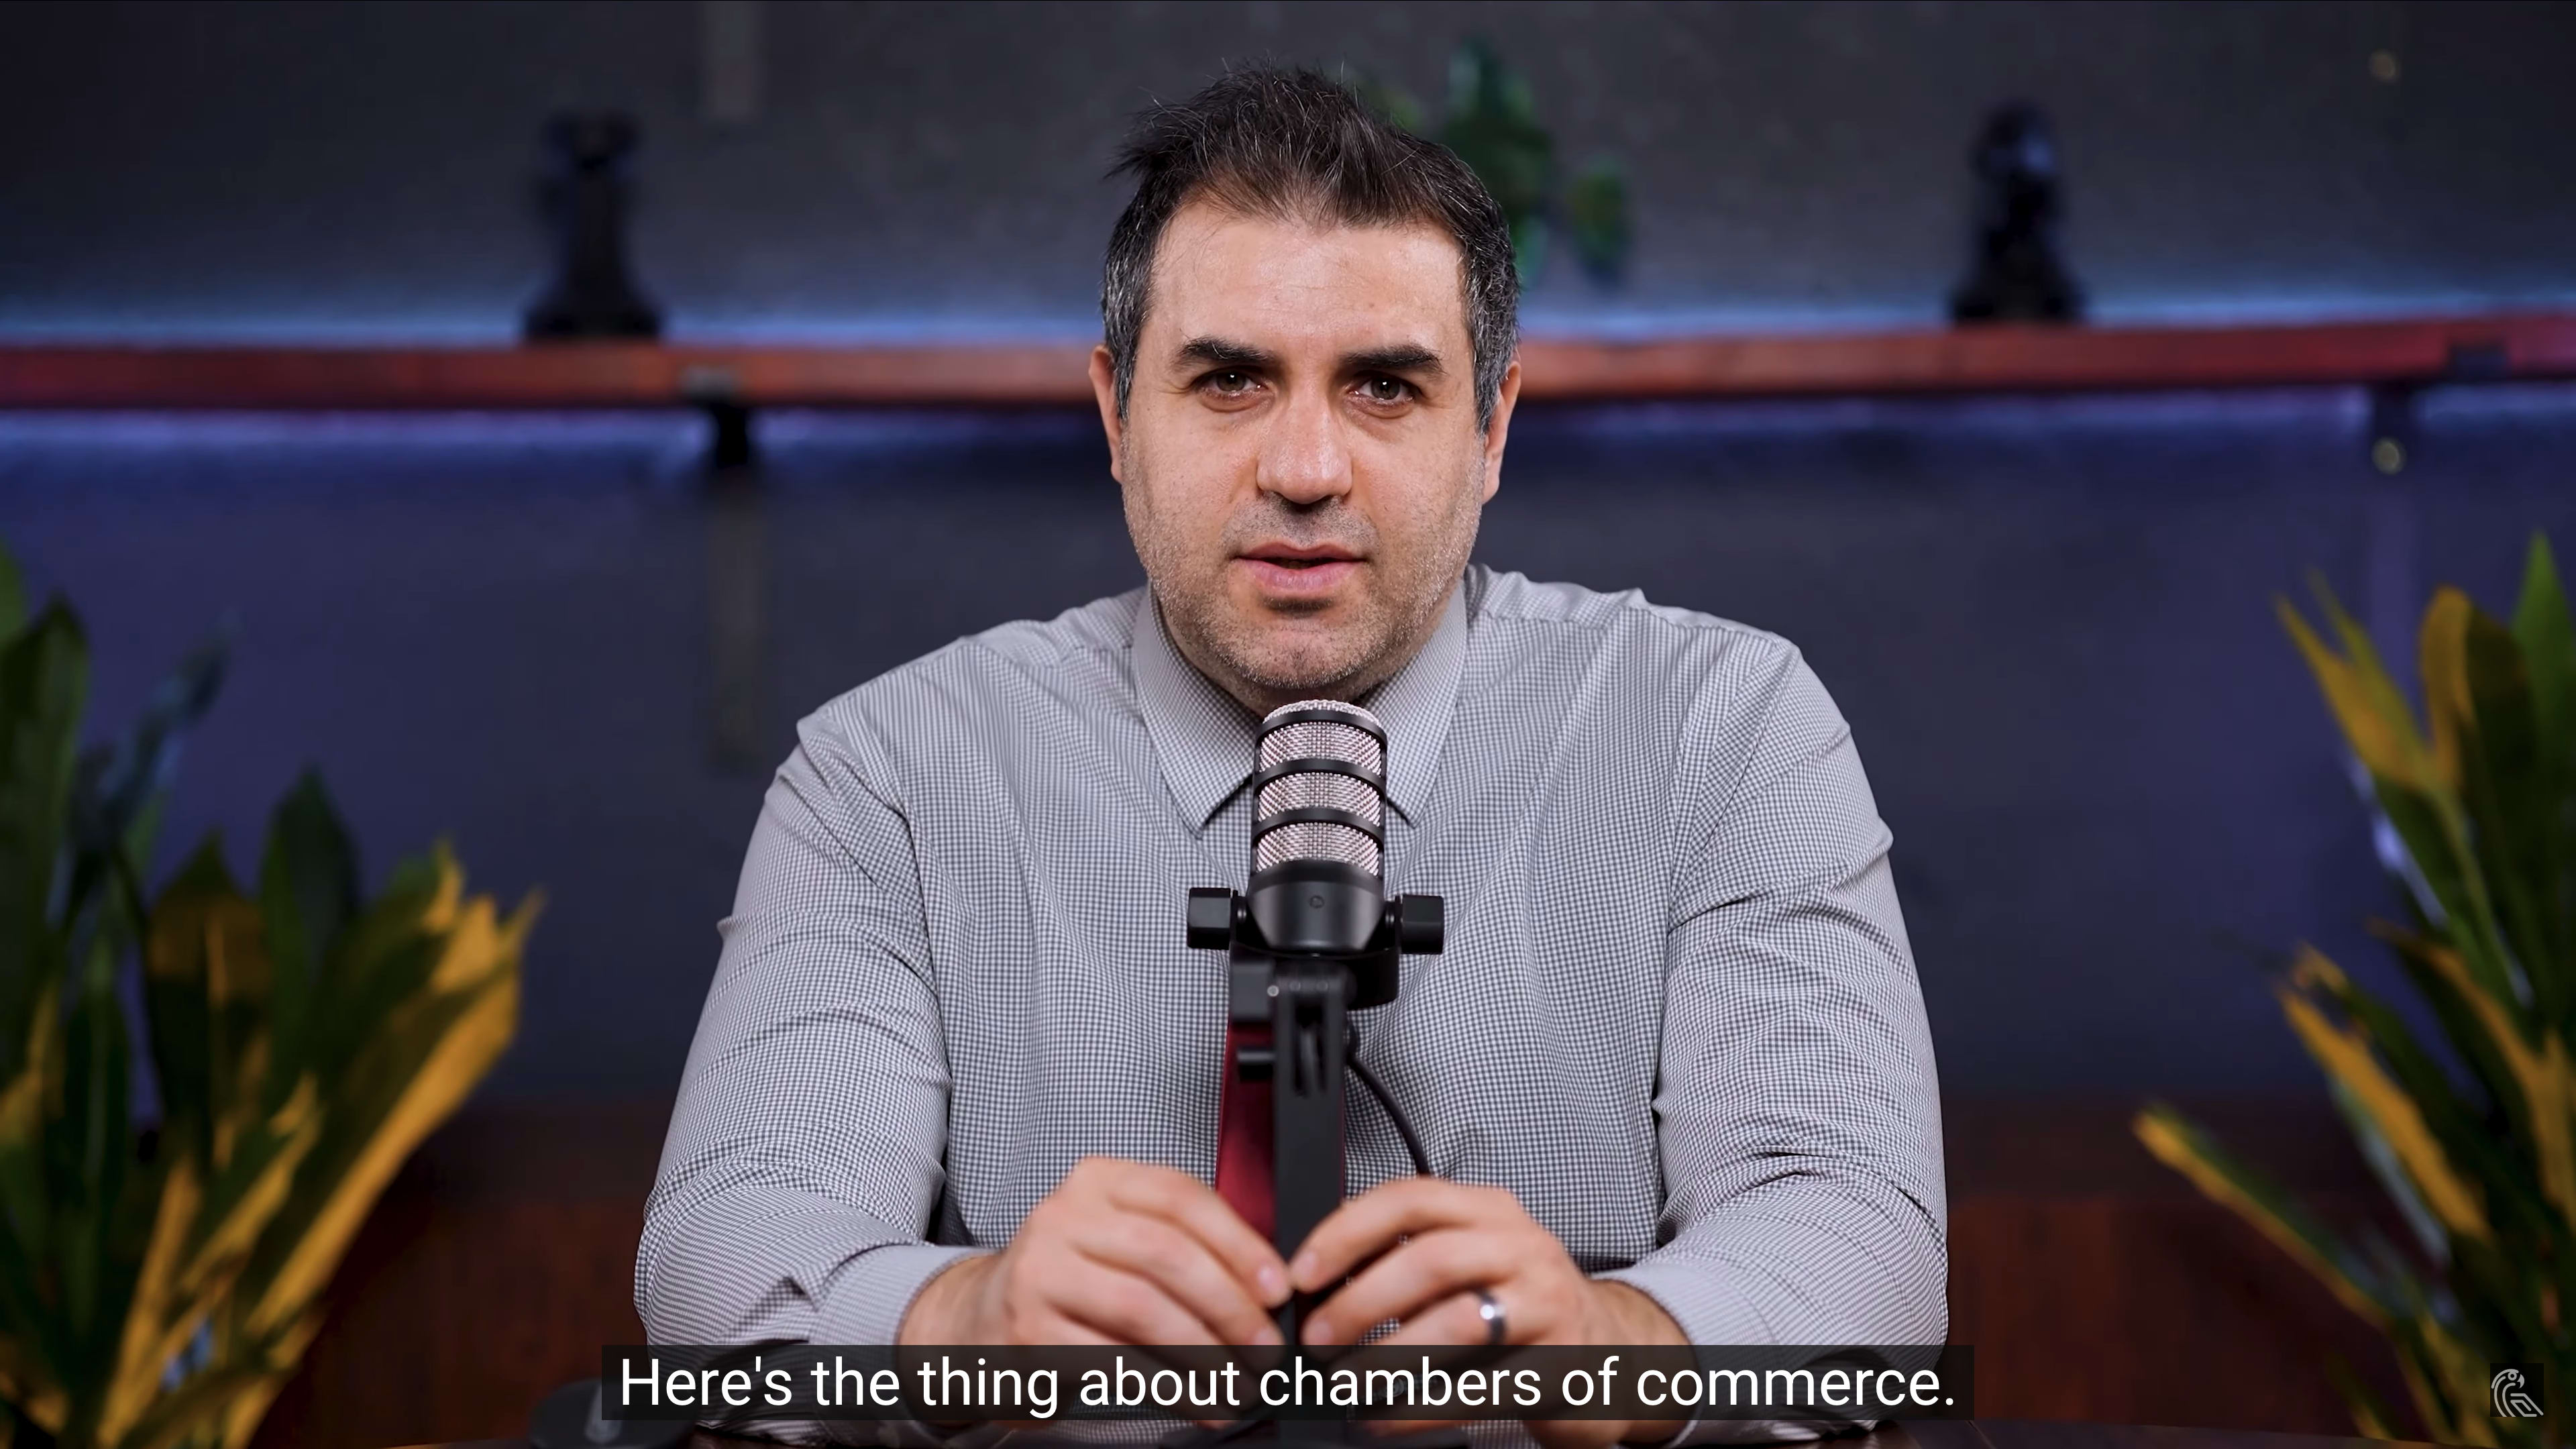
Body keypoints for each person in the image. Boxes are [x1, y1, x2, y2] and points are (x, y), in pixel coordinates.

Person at [638, 66, 1945, 1447]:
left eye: (1385, 386)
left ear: (1492, 432)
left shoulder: (1723, 729)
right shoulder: (891, 774)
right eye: (1229, 380)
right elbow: (726, 1268)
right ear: (1115, 415)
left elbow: (1865, 1255)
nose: (1306, 465)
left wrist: (1613, 1346)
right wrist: (962, 1323)